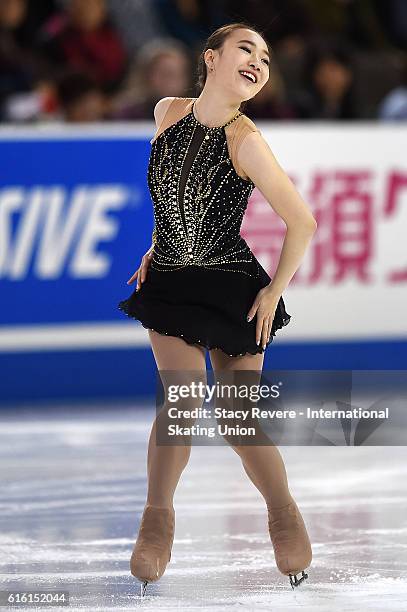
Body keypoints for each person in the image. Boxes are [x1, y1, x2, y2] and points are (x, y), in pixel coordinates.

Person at [117, 22, 317, 596]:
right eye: (246, 50)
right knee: (179, 401)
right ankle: (157, 521)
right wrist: (160, 244)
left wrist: (273, 291)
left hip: (232, 290)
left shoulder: (246, 140)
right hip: (173, 287)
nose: (259, 62)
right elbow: (173, 195)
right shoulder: (167, 112)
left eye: (267, 57)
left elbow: (301, 221)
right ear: (211, 58)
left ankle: (283, 513)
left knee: (236, 416)